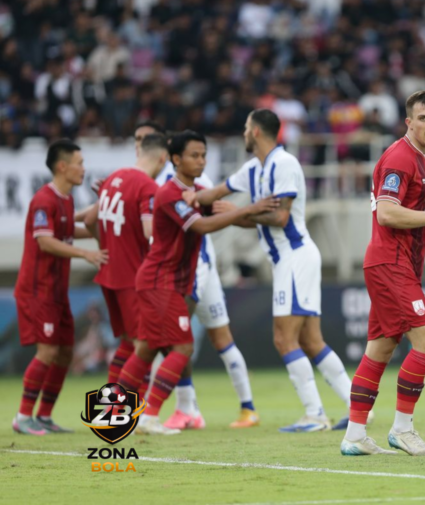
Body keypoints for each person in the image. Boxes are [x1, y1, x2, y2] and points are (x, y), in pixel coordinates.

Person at [191, 109, 354, 433]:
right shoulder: (253, 169)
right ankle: (357, 407)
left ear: (256, 132)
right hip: (288, 261)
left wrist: (239, 212)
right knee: (311, 341)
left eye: (246, 127)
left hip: (294, 257)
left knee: (284, 338)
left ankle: (314, 414)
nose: (243, 132)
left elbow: (280, 218)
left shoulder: (285, 164)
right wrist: (182, 198)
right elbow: (214, 194)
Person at [115, 130, 278, 435]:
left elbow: (225, 215)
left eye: (203, 155)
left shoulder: (195, 193)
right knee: (183, 348)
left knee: (147, 349)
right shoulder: (169, 194)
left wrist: (253, 215)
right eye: (193, 155)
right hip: (161, 281)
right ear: (175, 159)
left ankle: (116, 415)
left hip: (165, 281)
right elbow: (201, 225)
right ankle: (149, 416)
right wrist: (248, 208)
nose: (200, 161)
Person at [339, 91, 425, 456]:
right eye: (424, 118)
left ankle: (354, 434)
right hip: (390, 263)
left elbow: (408, 206)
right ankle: (402, 429)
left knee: (380, 349)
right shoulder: (399, 157)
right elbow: (387, 213)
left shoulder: (419, 159)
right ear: (408, 122)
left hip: (395, 263)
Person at [12, 139, 108, 435]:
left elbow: (70, 230)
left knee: (65, 352)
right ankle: (22, 417)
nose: (84, 168)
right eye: (79, 162)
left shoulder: (66, 200)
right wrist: (86, 253)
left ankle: (43, 416)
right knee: (47, 352)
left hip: (56, 292)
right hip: (37, 290)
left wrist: (99, 209)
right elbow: (45, 240)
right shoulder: (44, 199)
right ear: (62, 166)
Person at [85, 133, 168, 396]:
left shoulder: (112, 179)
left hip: (109, 275)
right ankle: (124, 413)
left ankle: (121, 410)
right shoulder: (147, 187)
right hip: (133, 278)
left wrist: (106, 248)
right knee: (146, 345)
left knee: (128, 345)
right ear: (163, 158)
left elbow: (89, 220)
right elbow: (149, 232)